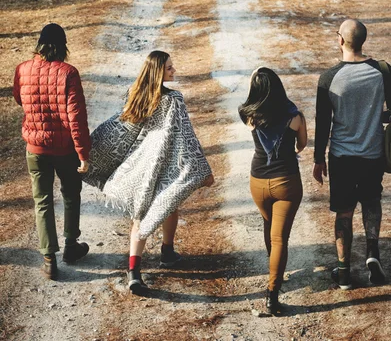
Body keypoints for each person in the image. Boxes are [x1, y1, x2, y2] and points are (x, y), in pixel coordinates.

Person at [84, 50, 214, 296]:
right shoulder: (174, 99)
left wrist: (93, 153)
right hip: (163, 165)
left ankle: (136, 270)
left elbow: (117, 130)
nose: (174, 71)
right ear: (158, 72)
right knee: (167, 201)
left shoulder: (135, 94)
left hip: (138, 167)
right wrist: (202, 170)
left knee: (144, 213)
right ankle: (165, 252)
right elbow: (187, 138)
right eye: (169, 68)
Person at [313, 19, 391, 290]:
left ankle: (343, 274)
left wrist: (319, 158)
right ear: (363, 40)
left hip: (342, 157)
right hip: (372, 153)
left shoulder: (329, 78)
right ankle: (373, 255)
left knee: (344, 212)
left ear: (340, 40)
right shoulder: (382, 71)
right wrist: (376, 115)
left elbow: (323, 122)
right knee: (371, 200)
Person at [13, 23, 91, 280]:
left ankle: (49, 259)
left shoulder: (22, 69)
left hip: (35, 149)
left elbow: (18, 97)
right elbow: (76, 117)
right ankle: (71, 246)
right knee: (71, 193)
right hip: (65, 149)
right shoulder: (68, 73)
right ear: (63, 46)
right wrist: (83, 153)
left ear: (39, 44)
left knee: (42, 201)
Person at [239, 67, 307, 315]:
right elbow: (302, 145)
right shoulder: (295, 116)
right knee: (280, 238)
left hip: (258, 181)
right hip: (286, 181)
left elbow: (250, 99)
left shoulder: (248, 115)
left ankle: (274, 272)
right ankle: (272, 295)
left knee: (269, 227)